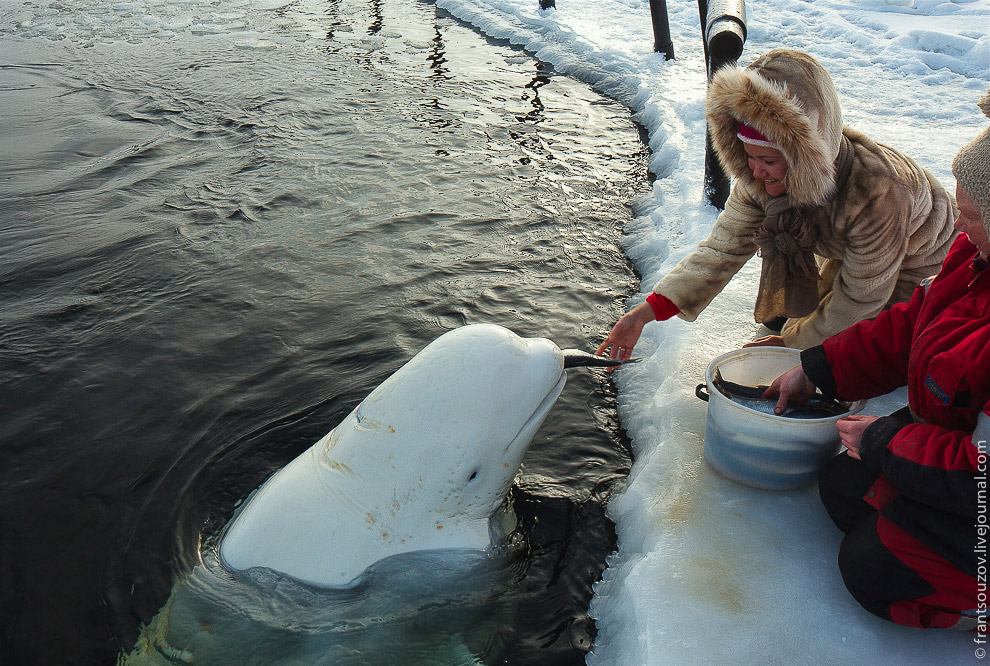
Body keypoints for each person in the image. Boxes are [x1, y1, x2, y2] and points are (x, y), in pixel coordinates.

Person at [766, 89, 990, 630]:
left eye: (973, 215)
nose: (957, 230)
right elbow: (916, 324)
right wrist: (816, 367)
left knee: (870, 570)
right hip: (954, 436)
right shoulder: (977, 254)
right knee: (844, 489)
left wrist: (885, 441)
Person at [597, 49, 956, 361]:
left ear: (803, 154)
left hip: (926, 262)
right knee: (810, 329)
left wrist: (790, 346)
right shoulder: (762, 181)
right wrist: (644, 313)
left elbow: (862, 298)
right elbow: (720, 252)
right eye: (749, 156)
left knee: (869, 351)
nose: (756, 170)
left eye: (769, 160)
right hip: (850, 254)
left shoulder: (876, 191)